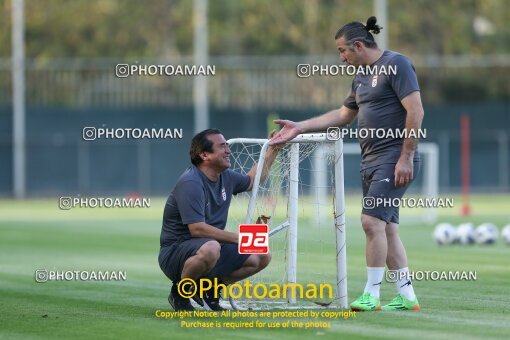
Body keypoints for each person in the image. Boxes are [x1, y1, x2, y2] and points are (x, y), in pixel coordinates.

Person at [270, 16, 423, 311]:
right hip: (371, 160)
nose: (341, 58)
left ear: (358, 45)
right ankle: (406, 296)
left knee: (370, 222)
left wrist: (406, 156)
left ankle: (371, 294)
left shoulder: (397, 64)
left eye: (342, 51)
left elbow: (415, 110)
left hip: (394, 158)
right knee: (387, 228)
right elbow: (342, 116)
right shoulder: (360, 77)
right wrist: (299, 126)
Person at [159, 128, 281, 311]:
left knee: (262, 255)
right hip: (177, 253)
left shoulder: (226, 176)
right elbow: (197, 229)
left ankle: (210, 290)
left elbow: (254, 179)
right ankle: (180, 293)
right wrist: (238, 237)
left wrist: (274, 149)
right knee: (211, 247)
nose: (228, 151)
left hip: (211, 247)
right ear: (204, 155)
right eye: (222, 146)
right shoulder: (191, 183)